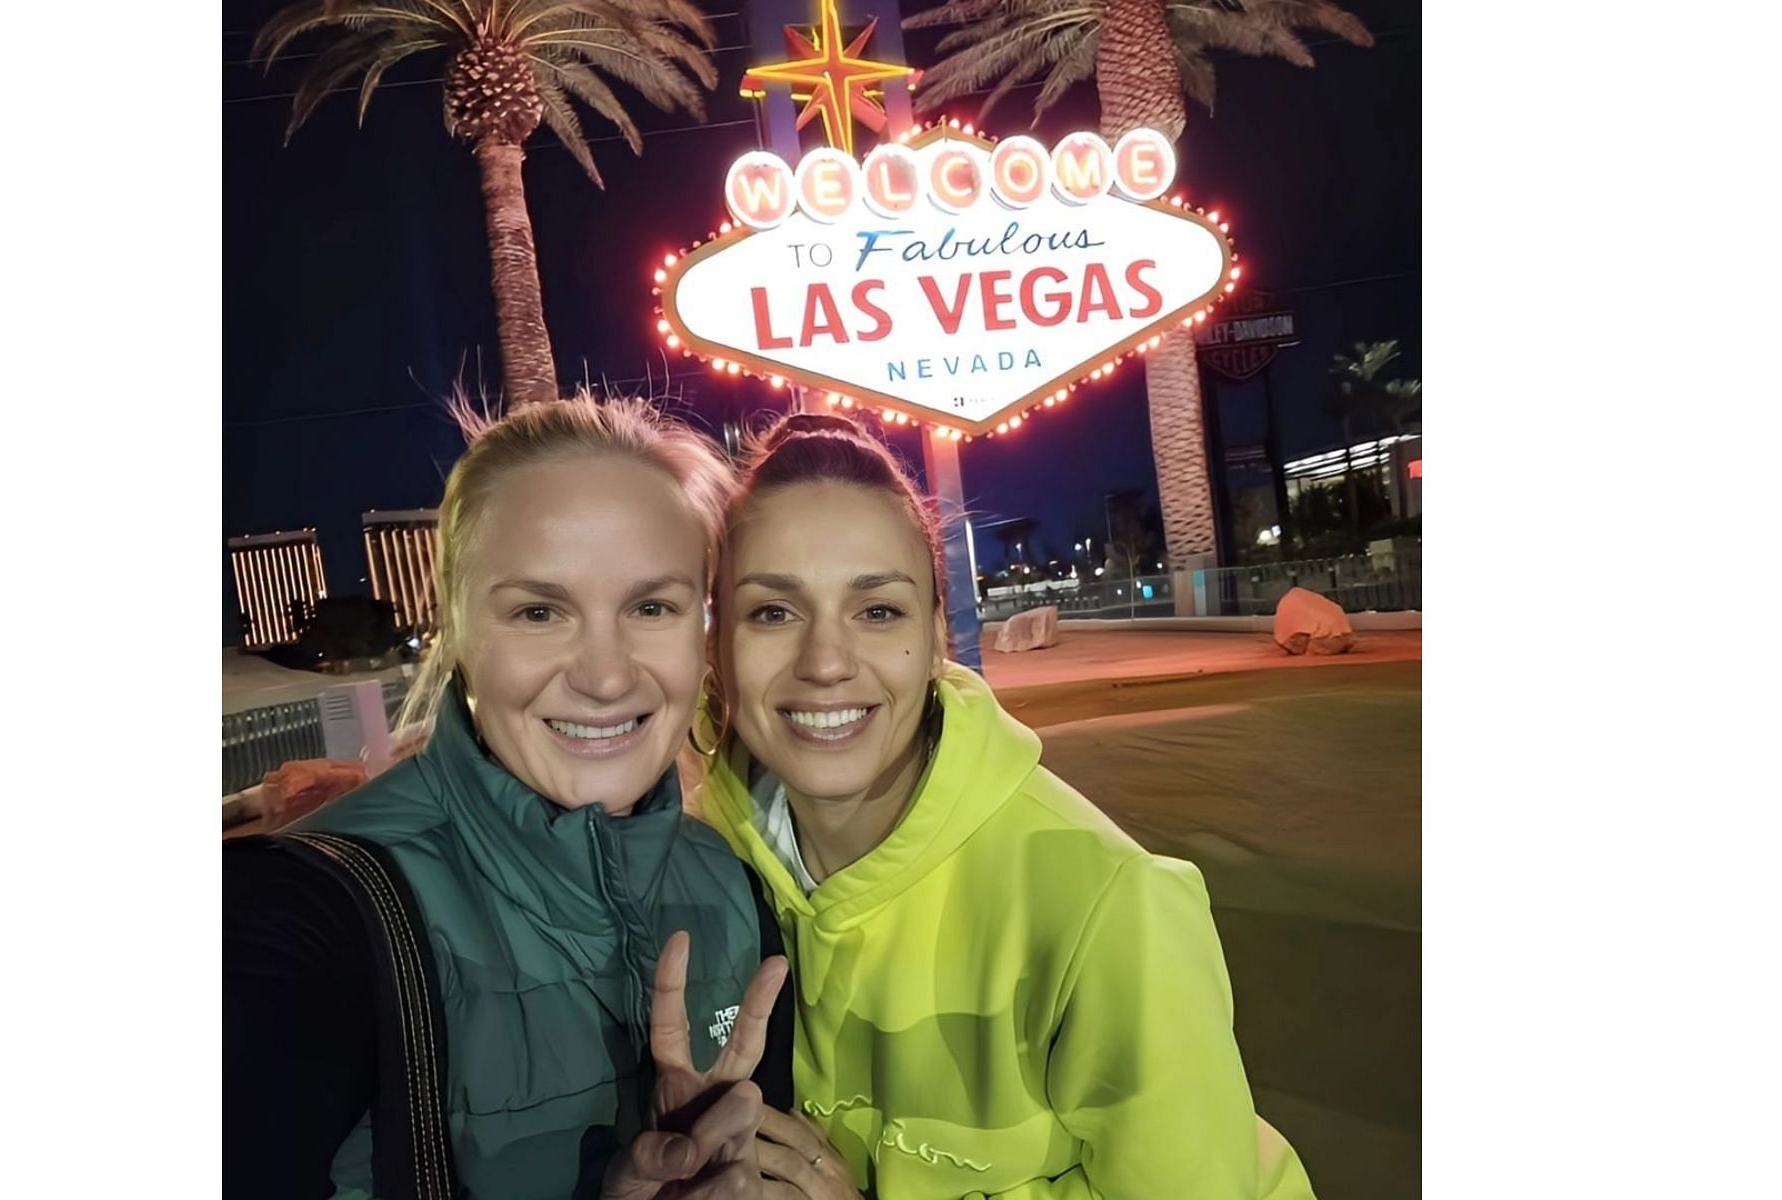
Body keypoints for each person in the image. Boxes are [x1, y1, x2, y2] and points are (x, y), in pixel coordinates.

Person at [693, 412, 1316, 1199]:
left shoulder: (1105, 904)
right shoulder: (696, 864)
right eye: (772, 612)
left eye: (877, 610)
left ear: (935, 635)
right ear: (717, 648)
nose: (824, 662)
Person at [225, 395, 794, 1200]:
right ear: (458, 626)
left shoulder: (732, 889)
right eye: (539, 611)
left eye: (651, 606)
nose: (605, 676)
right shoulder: (307, 916)